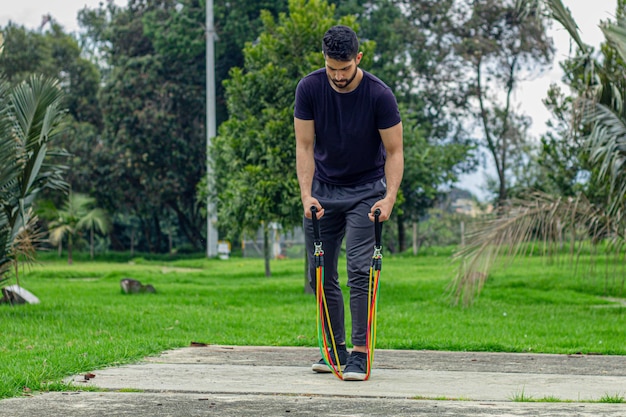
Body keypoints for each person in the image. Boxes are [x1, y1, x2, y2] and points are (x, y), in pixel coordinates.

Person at [294, 25, 403, 381]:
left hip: (366, 191)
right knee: (319, 272)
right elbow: (305, 146)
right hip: (323, 190)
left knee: (359, 269)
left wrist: (388, 197)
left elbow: (394, 151)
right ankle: (333, 349)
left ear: (358, 58)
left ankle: (359, 352)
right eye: (331, 68)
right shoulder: (309, 88)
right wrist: (306, 193)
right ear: (323, 60)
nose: (338, 77)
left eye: (344, 68)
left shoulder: (379, 95)